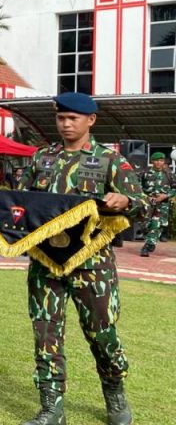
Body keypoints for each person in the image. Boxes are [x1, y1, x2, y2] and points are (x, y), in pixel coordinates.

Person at [16, 92, 145, 425]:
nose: (66, 123)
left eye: (73, 118)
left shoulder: (110, 160)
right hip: (46, 262)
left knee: (102, 334)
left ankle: (115, 392)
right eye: (61, 117)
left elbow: (142, 202)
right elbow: (22, 200)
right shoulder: (42, 158)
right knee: (45, 334)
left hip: (92, 264)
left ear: (91, 120)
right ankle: (51, 407)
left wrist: (126, 201)